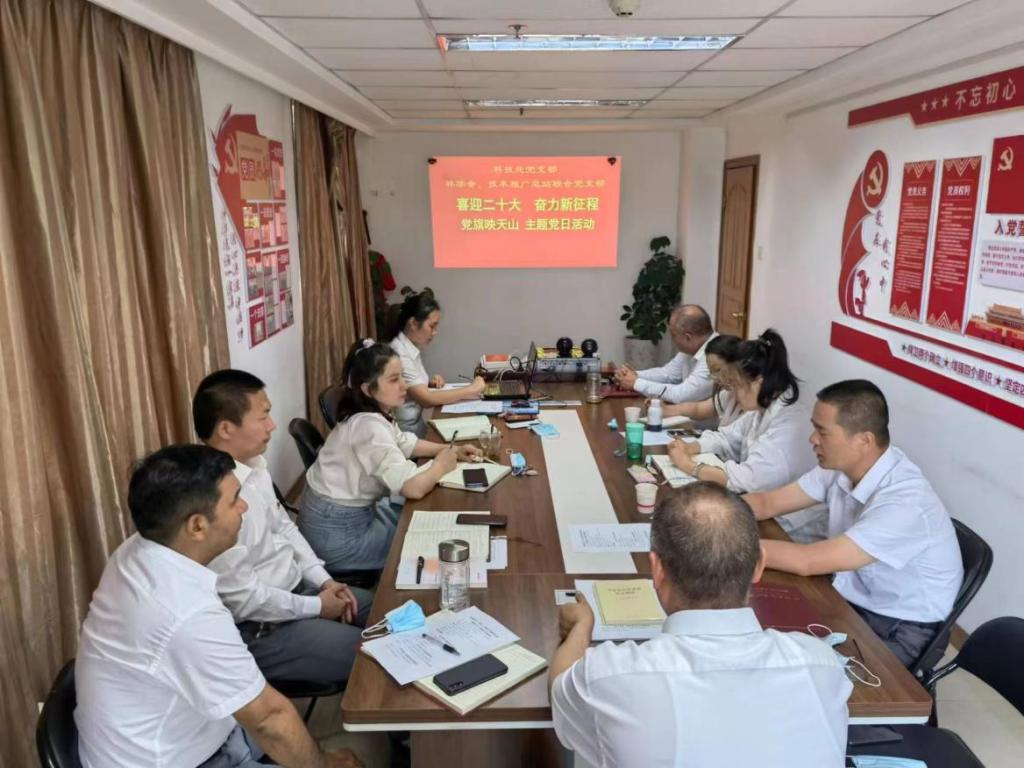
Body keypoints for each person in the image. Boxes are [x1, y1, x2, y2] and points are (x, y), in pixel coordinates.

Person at [75, 444, 360, 768]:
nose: (244, 506)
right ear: (197, 526)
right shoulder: (184, 612)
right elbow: (269, 718)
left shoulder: (138, 549)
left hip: (198, 728)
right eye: (234, 500)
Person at [550, 483, 851, 768]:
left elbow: (559, 686)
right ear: (758, 565)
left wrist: (581, 627)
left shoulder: (611, 675)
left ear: (657, 569)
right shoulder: (822, 664)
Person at [744, 380, 964, 668]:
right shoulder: (840, 465)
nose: (812, 439)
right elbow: (766, 503)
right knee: (758, 623)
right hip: (850, 596)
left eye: (822, 431)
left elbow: (808, 561)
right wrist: (703, 516)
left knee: (796, 669)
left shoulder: (906, 503)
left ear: (864, 441)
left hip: (899, 628)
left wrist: (723, 545)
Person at [193, 369, 371, 688]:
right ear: (226, 429)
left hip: (297, 590)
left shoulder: (254, 466)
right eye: (263, 417)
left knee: (388, 612)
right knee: (376, 657)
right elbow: (245, 599)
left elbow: (285, 529)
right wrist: (318, 606)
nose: (272, 425)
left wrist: (324, 581)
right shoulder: (212, 503)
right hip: (262, 627)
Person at [300, 339, 482, 573]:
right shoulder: (368, 426)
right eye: (394, 380)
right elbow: (412, 488)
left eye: (402, 376)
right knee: (421, 541)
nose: (404, 386)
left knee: (417, 518)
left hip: (340, 517)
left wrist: (450, 450)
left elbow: (404, 443)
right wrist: (440, 465)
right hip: (338, 537)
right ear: (368, 389)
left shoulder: (370, 412)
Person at [667, 329, 816, 495]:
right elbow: (725, 438)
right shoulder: (760, 410)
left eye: (736, 385)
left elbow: (745, 480)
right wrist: (690, 447)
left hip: (782, 510)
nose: (734, 392)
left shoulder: (788, 427)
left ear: (758, 382)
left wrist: (688, 465)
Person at [388, 291, 486, 436]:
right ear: (413, 323)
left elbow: (411, 389)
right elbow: (426, 400)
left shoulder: (409, 347)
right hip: (406, 434)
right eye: (432, 326)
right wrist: (471, 389)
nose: (435, 332)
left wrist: (428, 384)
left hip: (417, 427)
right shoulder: (399, 352)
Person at [614, 304, 717, 404]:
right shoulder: (692, 348)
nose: (672, 340)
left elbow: (682, 395)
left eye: (673, 335)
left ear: (688, 338)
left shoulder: (715, 356)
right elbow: (667, 374)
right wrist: (635, 375)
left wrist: (636, 383)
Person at [660, 333, 743, 428]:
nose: (716, 378)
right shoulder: (729, 393)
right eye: (711, 372)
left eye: (717, 370)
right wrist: (665, 409)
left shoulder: (751, 402)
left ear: (736, 364)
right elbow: (698, 409)